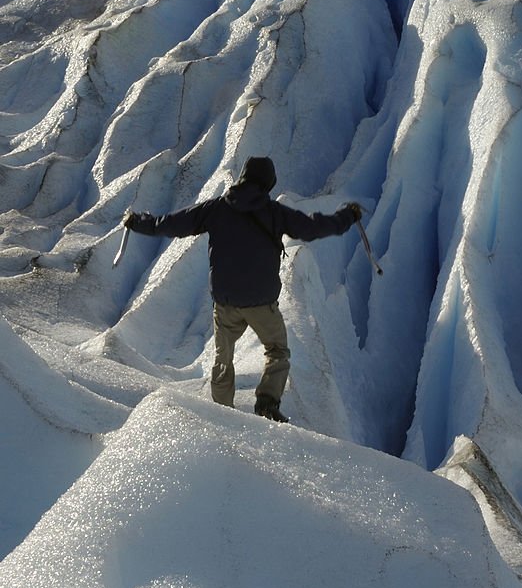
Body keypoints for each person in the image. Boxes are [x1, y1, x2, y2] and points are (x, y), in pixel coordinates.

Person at [124, 156, 361, 423]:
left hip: (226, 303)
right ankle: (267, 403)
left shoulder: (215, 209)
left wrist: (138, 222)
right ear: (268, 182)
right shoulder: (275, 213)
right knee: (277, 350)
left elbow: (172, 224)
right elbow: (313, 228)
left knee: (223, 357)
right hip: (262, 302)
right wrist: (347, 217)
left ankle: (222, 411)